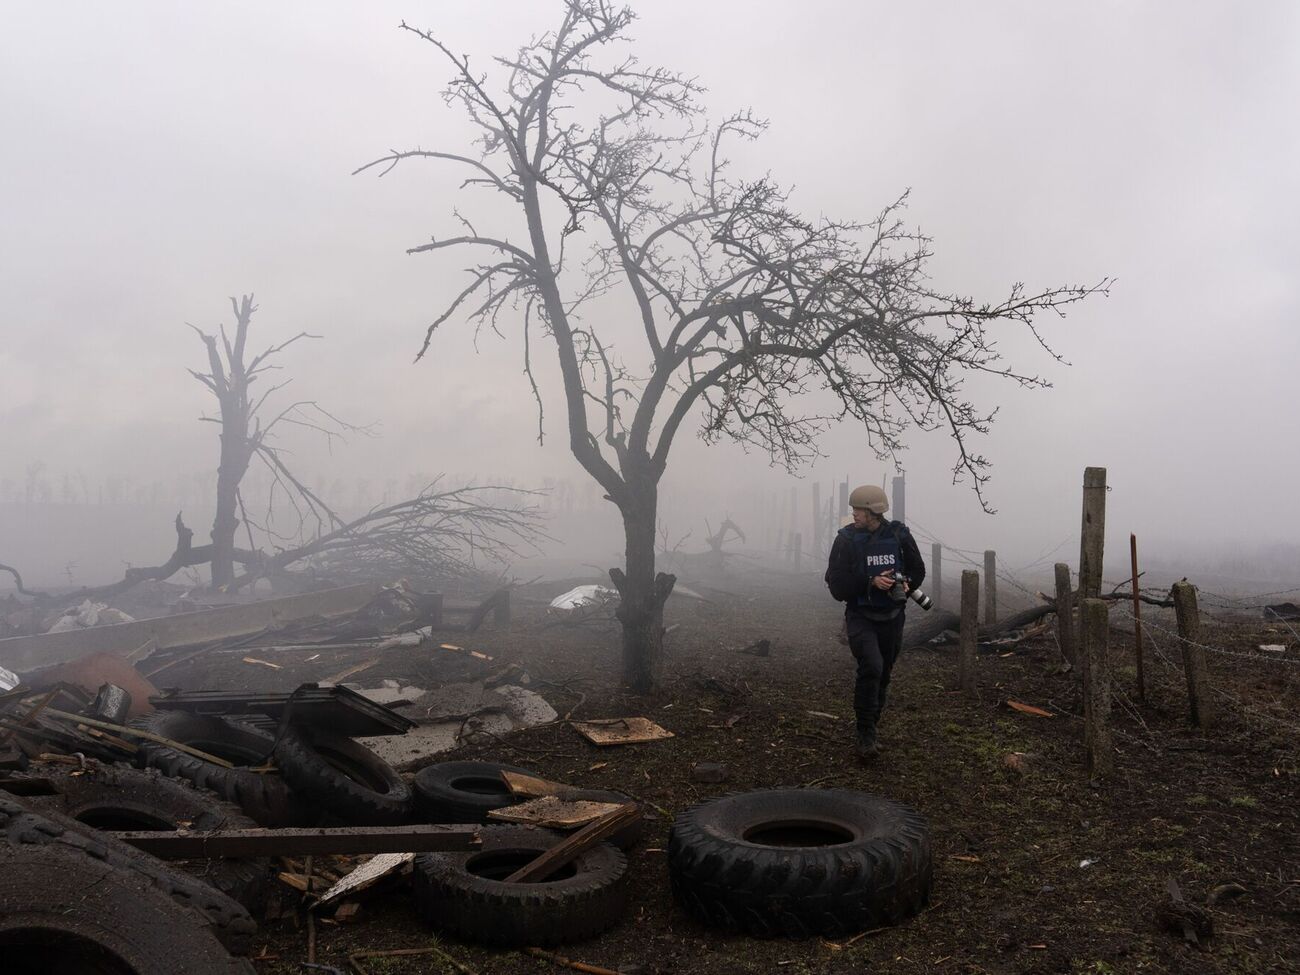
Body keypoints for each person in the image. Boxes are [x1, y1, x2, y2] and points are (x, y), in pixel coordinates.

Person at [825, 484, 926, 761]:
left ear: (873, 511)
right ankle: (865, 733)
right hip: (860, 616)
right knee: (871, 666)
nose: (854, 514)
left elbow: (918, 570)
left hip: (893, 616)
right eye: (854, 509)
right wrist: (869, 581)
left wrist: (905, 584)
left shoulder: (898, 535)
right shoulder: (845, 540)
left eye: (858, 510)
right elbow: (836, 585)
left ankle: (872, 724)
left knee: (884, 673)